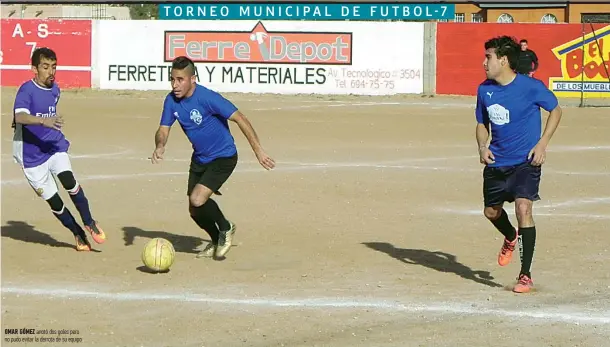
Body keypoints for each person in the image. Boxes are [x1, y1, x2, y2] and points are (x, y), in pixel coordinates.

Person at [151, 56, 275, 260]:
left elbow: (240, 118)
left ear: (193, 79)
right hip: (200, 158)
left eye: (180, 79)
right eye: (172, 79)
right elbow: (163, 129)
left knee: (197, 199)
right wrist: (160, 145)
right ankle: (216, 238)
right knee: (194, 210)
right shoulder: (171, 101)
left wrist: (258, 151)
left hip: (223, 156)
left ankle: (226, 227)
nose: (175, 85)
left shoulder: (208, 98)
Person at [475, 36, 562, 293]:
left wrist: (542, 143)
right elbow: (481, 124)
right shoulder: (484, 90)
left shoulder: (530, 87)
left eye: (488, 57)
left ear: (503, 60)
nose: (484, 63)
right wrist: (482, 146)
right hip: (497, 163)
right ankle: (510, 236)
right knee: (491, 212)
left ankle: (525, 275)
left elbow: (555, 110)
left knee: (524, 209)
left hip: (526, 161)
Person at [12, 47, 107, 251]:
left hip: (54, 146)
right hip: (31, 157)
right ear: (34, 69)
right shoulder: (26, 90)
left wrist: (47, 125)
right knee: (55, 202)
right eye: (45, 67)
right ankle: (78, 233)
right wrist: (42, 121)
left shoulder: (55, 90)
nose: (51, 72)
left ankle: (89, 222)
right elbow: (19, 116)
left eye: (54, 67)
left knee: (69, 181)